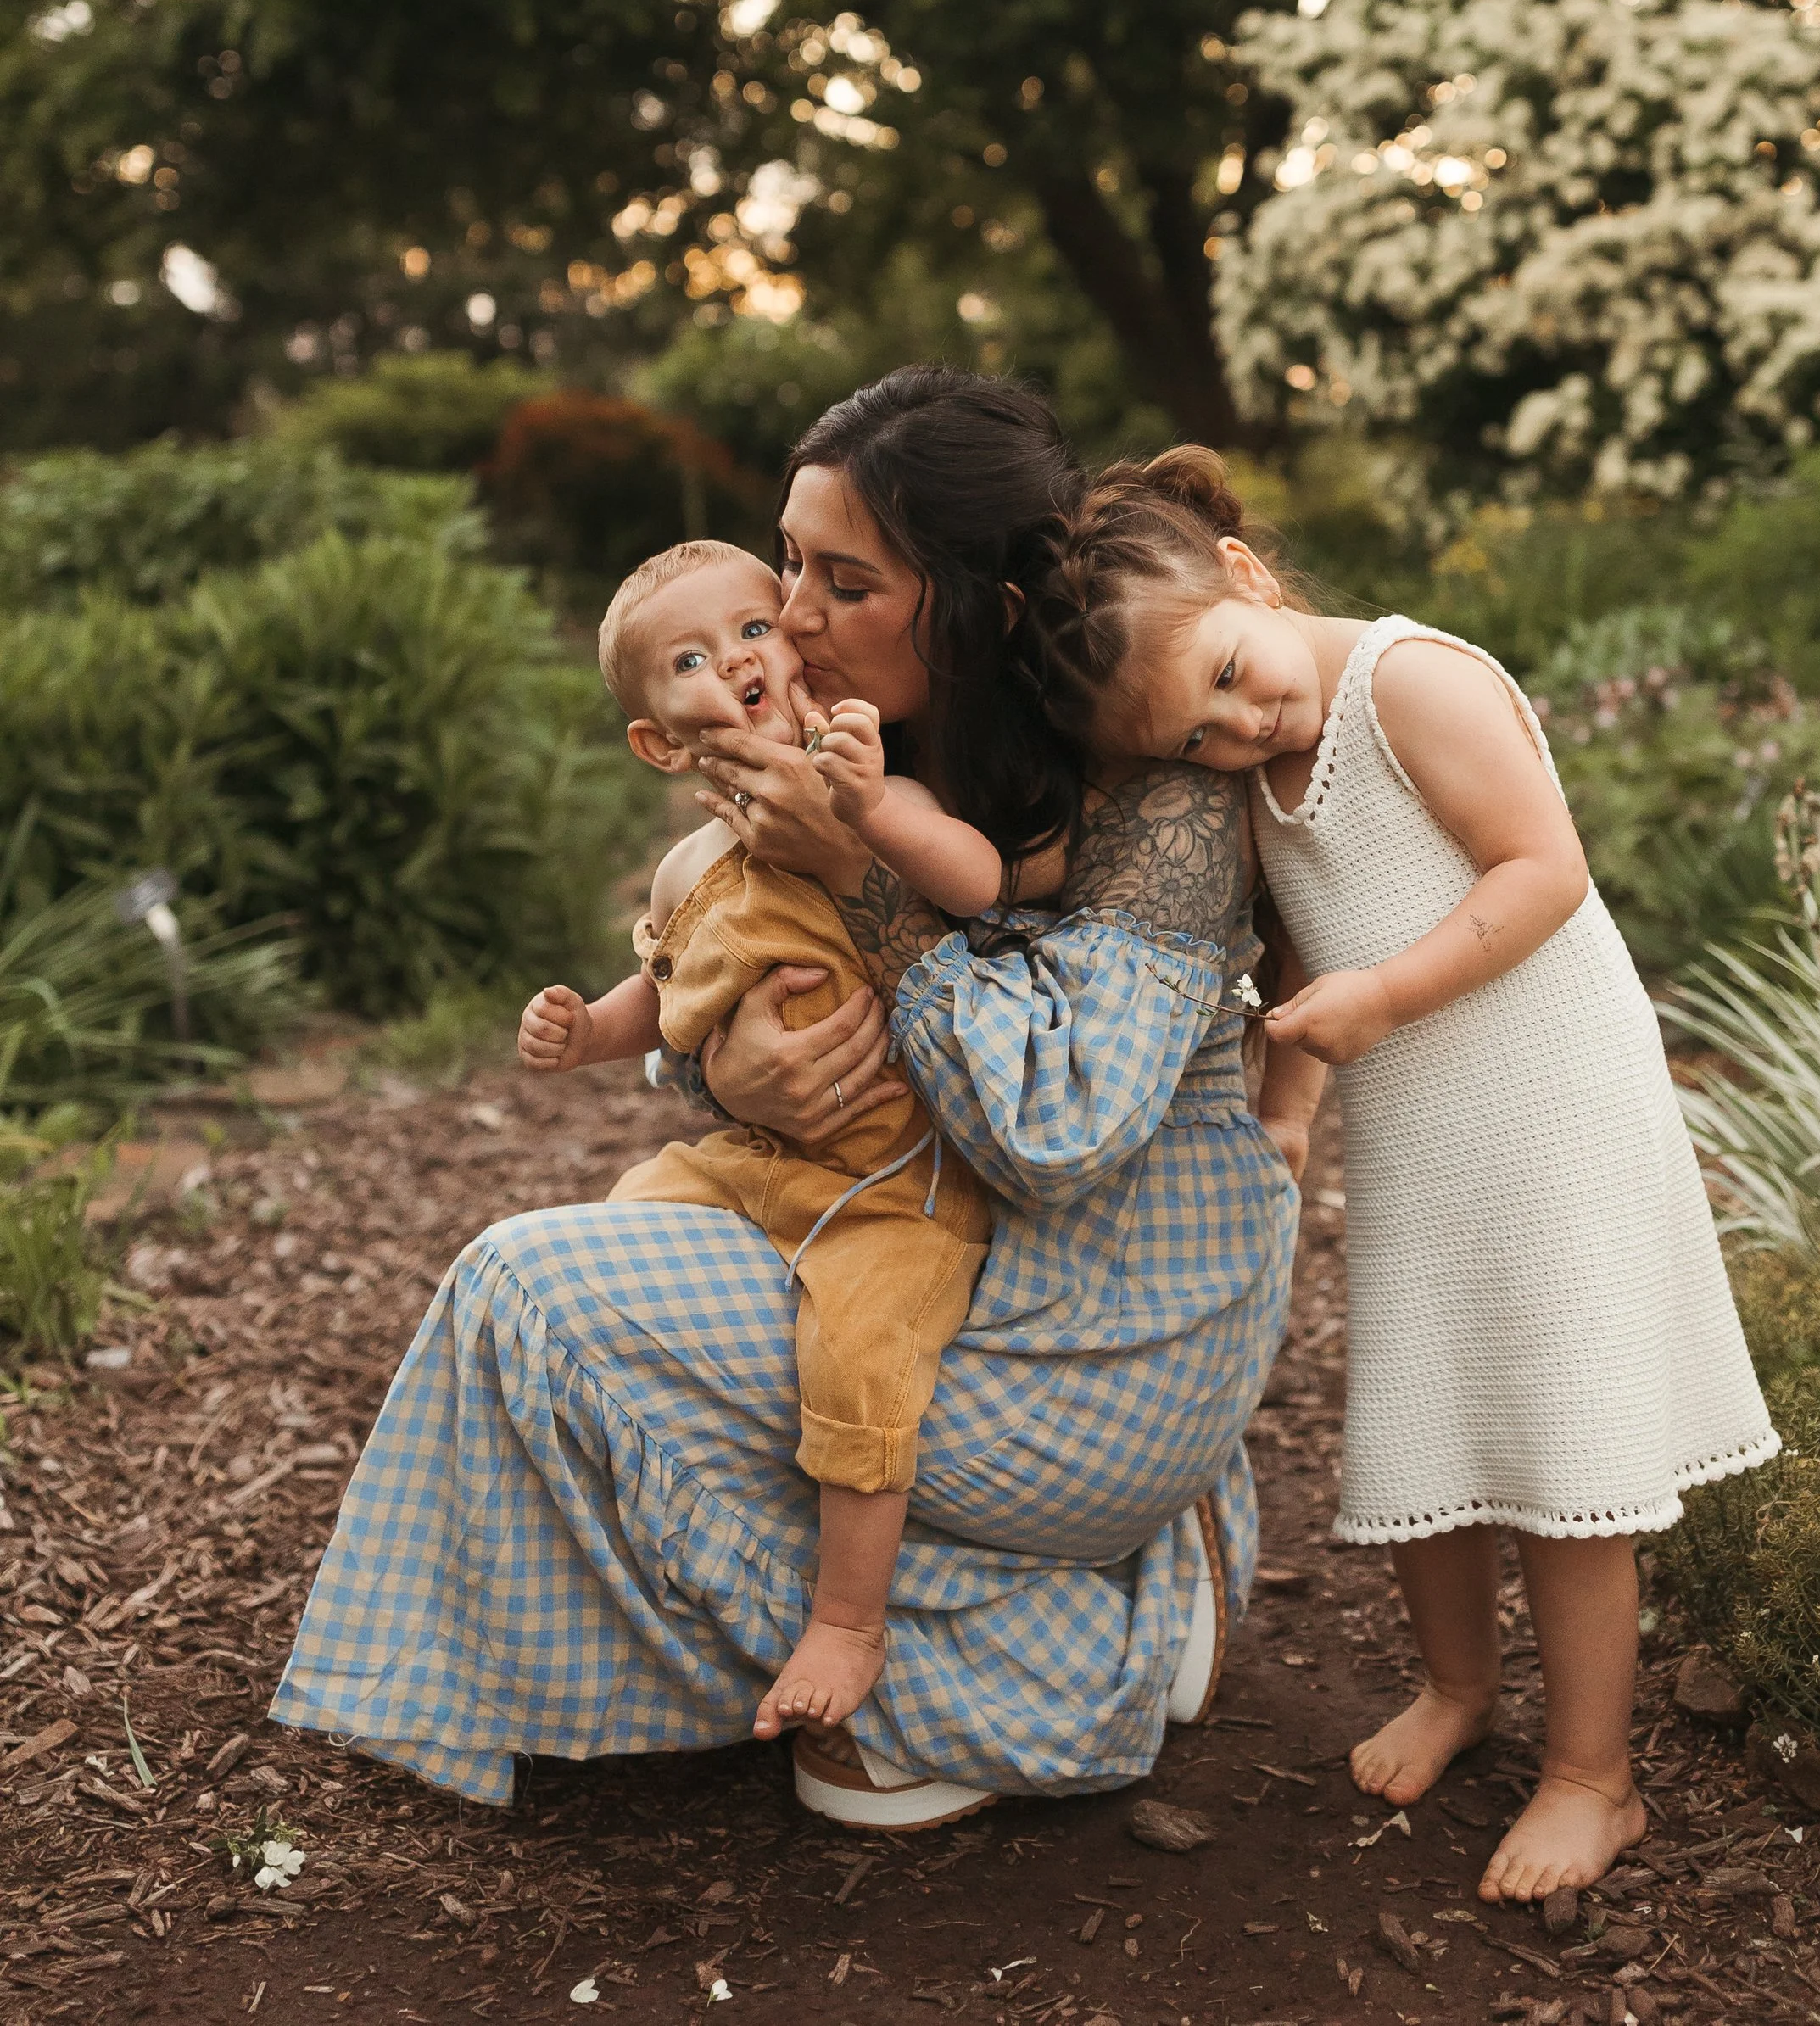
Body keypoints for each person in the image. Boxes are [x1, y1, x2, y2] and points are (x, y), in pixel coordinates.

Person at [273, 372, 1297, 1833]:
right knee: (579, 1297)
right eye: (790, 560)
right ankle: (1050, 1595)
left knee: (538, 1294)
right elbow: (730, 964)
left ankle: (1078, 1651)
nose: (791, 613)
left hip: (1101, 1327)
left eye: (842, 580)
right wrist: (711, 1065)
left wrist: (859, 872)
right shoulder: (855, 730)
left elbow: (1052, 1131)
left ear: (981, 609)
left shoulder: (1159, 780)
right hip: (920, 1233)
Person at [1029, 447, 1778, 1905]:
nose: (1245, 727)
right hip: (1428, 1142)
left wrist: (1382, 999)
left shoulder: (1407, 683)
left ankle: (1594, 1777)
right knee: (1426, 1416)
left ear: (1246, 579)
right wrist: (1294, 1099)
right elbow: (1304, 945)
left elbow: (1540, 870)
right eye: (1200, 738)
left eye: (1236, 678)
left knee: (1567, 1458)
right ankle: (1456, 1686)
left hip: (1556, 1113)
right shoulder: (1257, 766)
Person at [516, 535, 1005, 1744]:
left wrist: (869, 807)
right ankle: (662, 1534)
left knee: (862, 1352)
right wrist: (588, 1032)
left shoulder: (869, 782)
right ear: (657, 740)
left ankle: (848, 1615)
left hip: (895, 1181)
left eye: (750, 629)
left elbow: (981, 878)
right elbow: (661, 985)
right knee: (619, 1234)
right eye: (690, 657)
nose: (735, 659)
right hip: (755, 1161)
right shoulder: (687, 859)